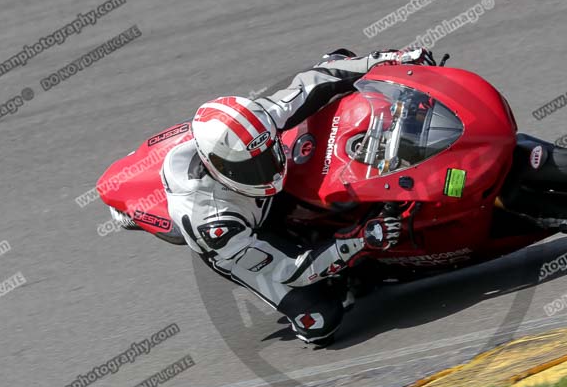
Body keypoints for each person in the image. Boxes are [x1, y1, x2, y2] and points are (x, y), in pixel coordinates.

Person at [159, 48, 434, 345]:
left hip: (264, 198)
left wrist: (384, 61)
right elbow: (288, 269)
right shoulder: (213, 222)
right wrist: (359, 241)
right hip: (247, 240)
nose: (266, 171)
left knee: (339, 67)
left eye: (267, 155)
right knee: (320, 322)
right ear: (217, 167)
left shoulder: (258, 123)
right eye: (252, 167)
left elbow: (315, 80)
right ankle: (342, 282)